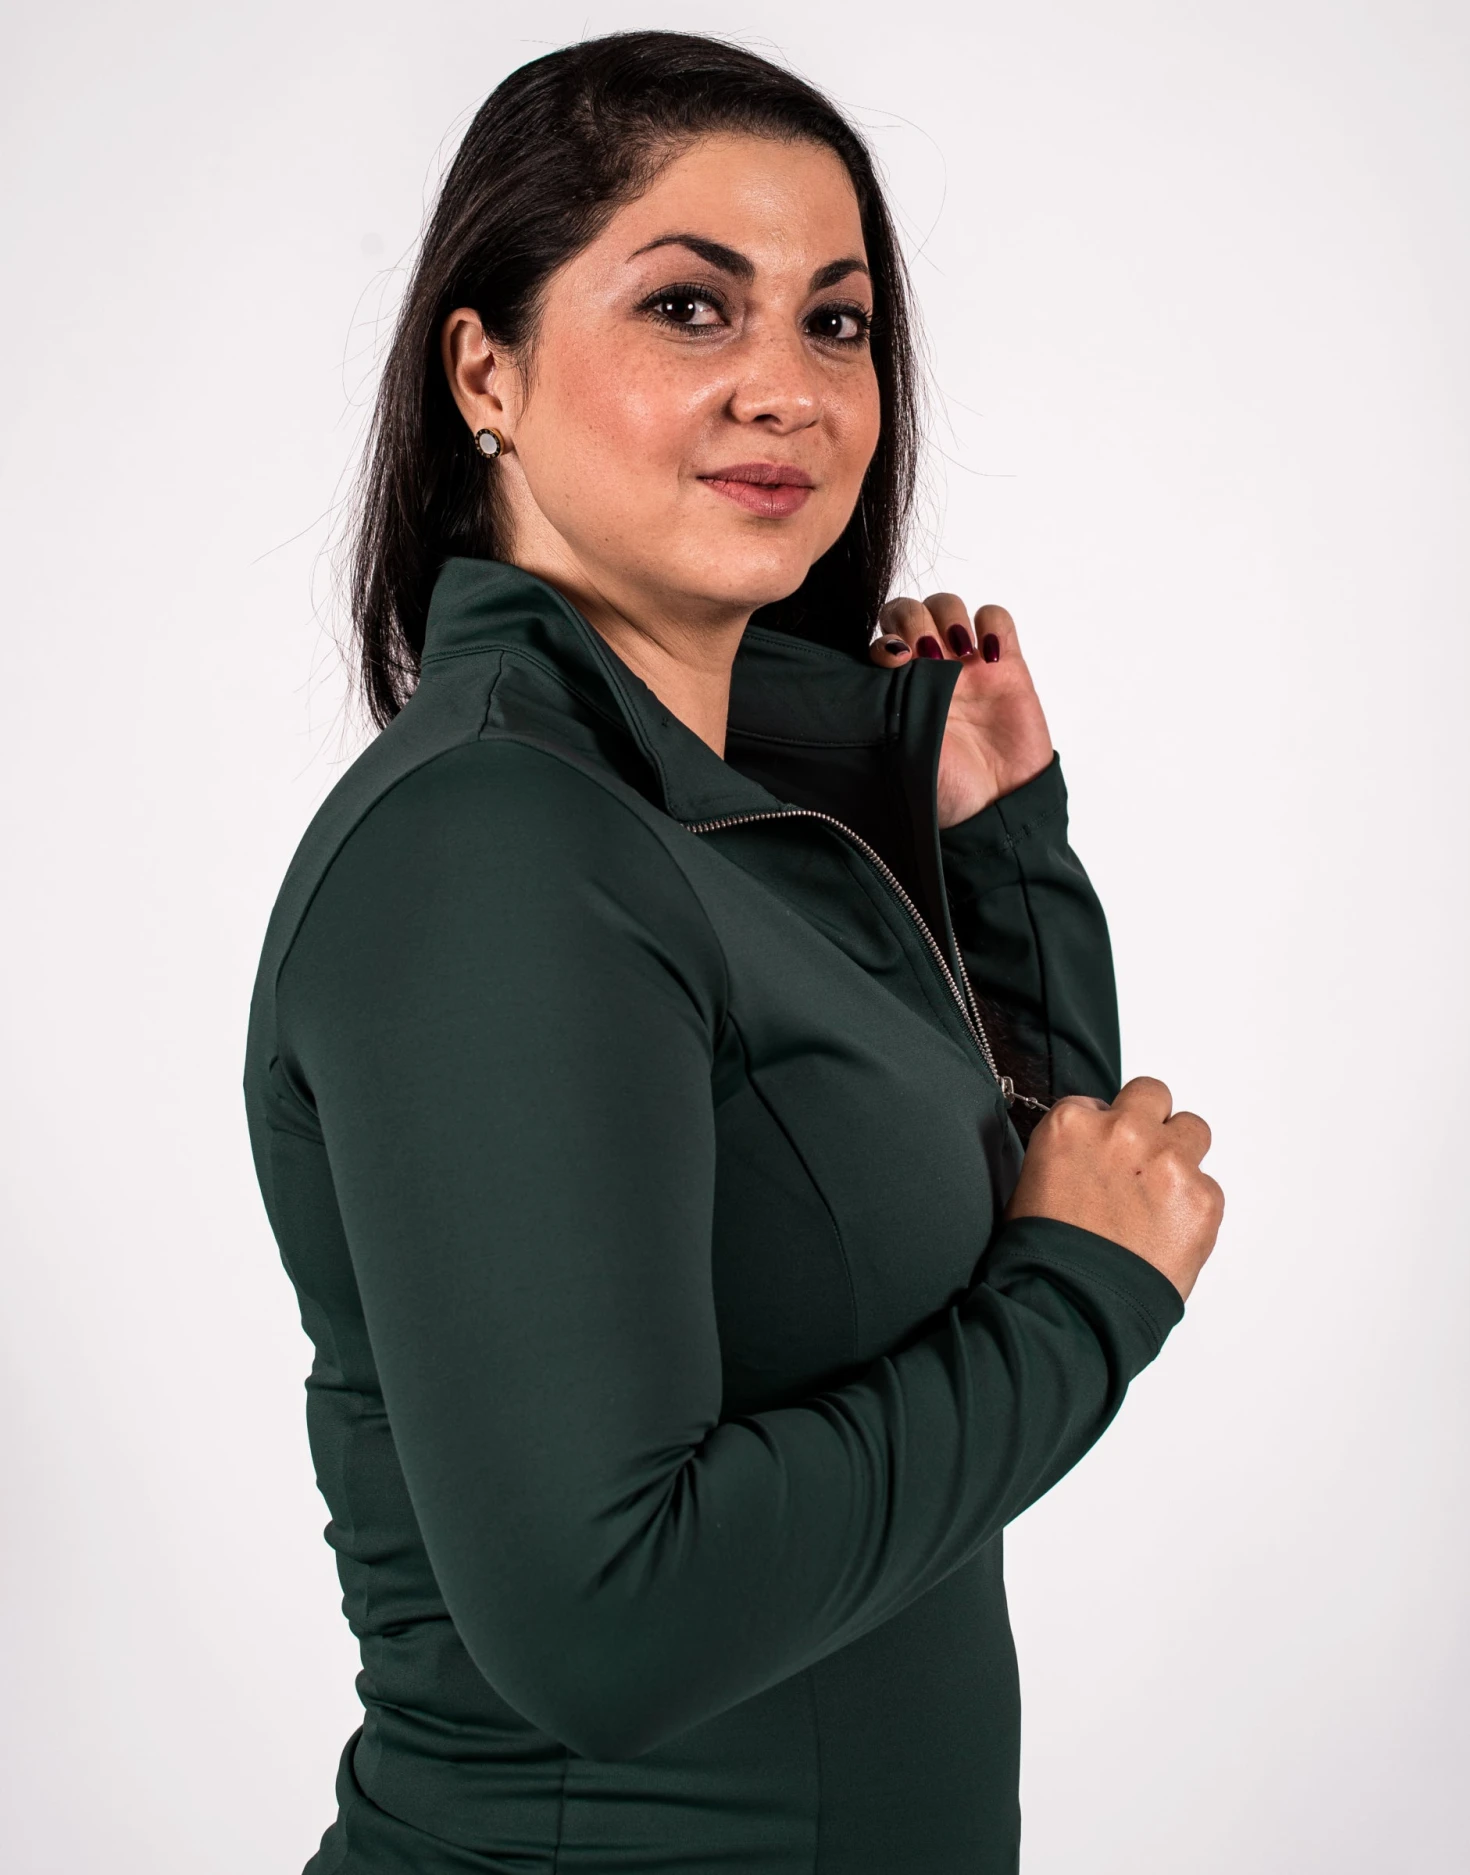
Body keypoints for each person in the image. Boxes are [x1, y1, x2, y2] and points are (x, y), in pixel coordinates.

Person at [243, 29, 1223, 1874]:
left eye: (835, 323)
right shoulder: (495, 847)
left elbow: (1040, 1188)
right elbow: (610, 1620)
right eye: (691, 307)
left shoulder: (718, 820)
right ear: (486, 371)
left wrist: (994, 842)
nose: (787, 387)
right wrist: (1083, 1311)